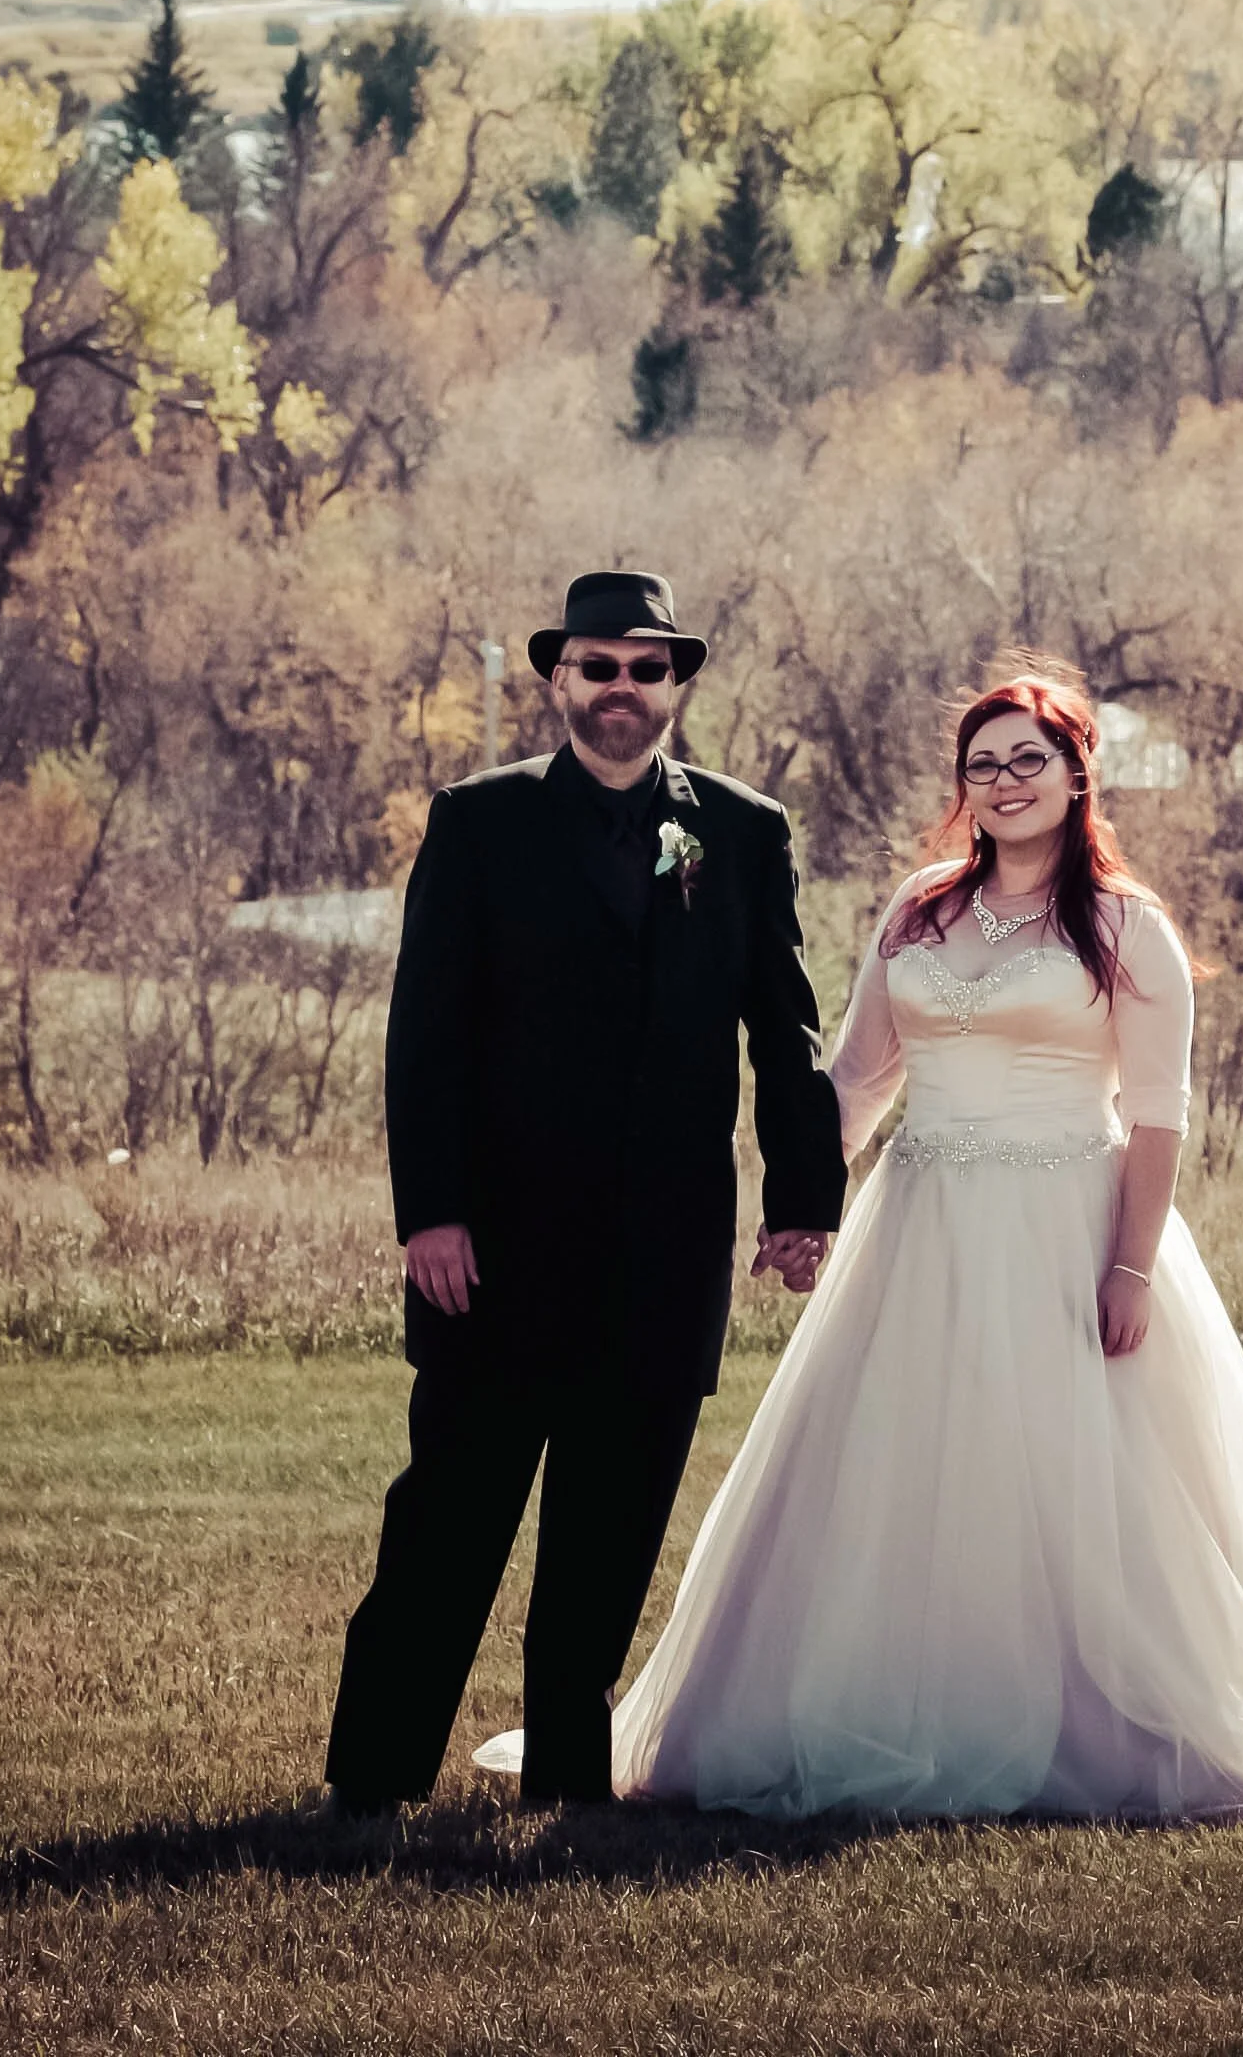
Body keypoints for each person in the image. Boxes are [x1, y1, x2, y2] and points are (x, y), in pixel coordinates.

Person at [504, 669, 1243, 1824]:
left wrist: (1128, 1266)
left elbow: (1156, 1117)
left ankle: (1110, 1724)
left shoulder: (1125, 925)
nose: (1002, 782)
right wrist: (800, 1199)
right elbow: (861, 1076)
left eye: (1026, 760)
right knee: (899, 1476)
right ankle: (877, 1709)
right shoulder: (920, 906)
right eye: (981, 765)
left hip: (1068, 1225)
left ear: (1076, 775)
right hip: (919, 1227)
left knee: (1078, 1484)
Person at [325, 568, 846, 1813]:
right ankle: (373, 1778)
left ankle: (568, 1784)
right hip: (493, 1251)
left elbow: (787, 1030)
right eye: (597, 667)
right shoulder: (476, 822)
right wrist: (429, 1212)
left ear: (676, 685)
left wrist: (802, 1198)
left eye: (644, 669)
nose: (620, 689)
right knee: (447, 1527)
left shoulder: (740, 831)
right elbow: (425, 1037)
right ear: (557, 679)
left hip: (662, 1256)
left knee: (607, 1543)